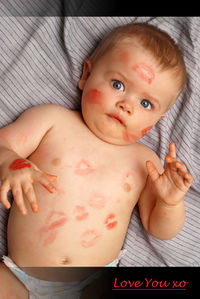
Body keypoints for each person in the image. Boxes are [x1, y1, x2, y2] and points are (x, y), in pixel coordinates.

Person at [0, 23, 193, 298]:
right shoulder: (52, 120)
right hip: (18, 276)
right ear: (86, 74)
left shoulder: (145, 160)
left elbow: (158, 229)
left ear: (157, 119)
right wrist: (10, 162)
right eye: (118, 85)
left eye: (146, 104)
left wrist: (170, 202)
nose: (127, 104)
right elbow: (3, 143)